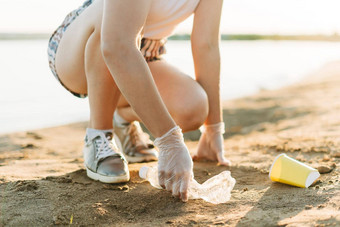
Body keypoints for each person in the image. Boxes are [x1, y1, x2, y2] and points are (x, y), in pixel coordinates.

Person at [47, 0, 230, 202]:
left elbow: (208, 45)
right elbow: (117, 44)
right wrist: (170, 142)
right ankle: (98, 135)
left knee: (192, 107)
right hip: (81, 49)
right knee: (109, 20)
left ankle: (122, 117)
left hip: (141, 53)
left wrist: (213, 129)